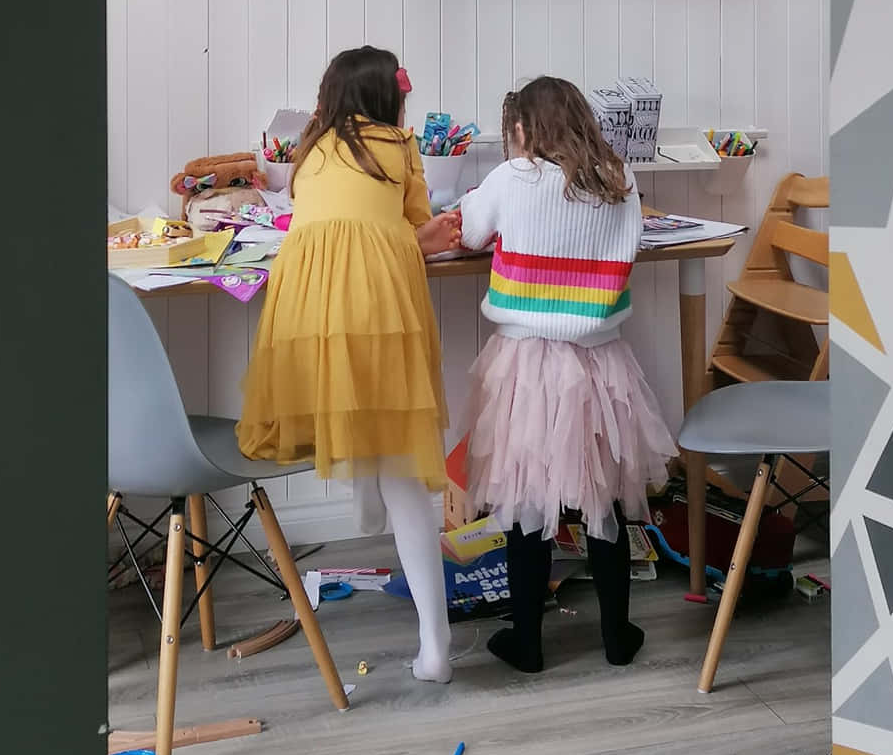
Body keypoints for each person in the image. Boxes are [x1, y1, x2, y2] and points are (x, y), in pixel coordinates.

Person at [238, 48, 461, 682]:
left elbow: (354, 228)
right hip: (377, 313)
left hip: (308, 319)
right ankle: (435, 647)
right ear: (387, 99)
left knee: (354, 418)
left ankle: (366, 509)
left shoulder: (306, 153)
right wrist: (432, 233)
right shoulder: (400, 147)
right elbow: (411, 230)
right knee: (407, 472)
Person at [455, 77, 677, 674]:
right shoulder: (619, 179)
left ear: (524, 129)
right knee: (604, 498)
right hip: (600, 363)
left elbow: (472, 230)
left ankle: (526, 640)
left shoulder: (512, 178)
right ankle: (616, 634)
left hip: (526, 362)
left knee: (526, 501)